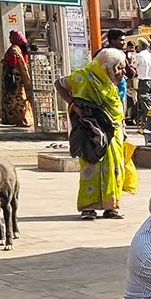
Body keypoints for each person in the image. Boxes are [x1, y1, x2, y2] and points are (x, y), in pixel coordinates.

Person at [56, 48, 134, 220]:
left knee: (114, 167)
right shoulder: (82, 77)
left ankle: (111, 206)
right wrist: (74, 105)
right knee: (91, 166)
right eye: (118, 68)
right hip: (91, 128)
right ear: (106, 68)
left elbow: (120, 105)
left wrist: (123, 126)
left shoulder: (113, 83)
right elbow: (59, 84)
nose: (122, 72)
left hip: (114, 129)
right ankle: (88, 207)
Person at [1, 29, 34, 127]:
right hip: (20, 79)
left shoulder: (13, 49)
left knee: (14, 99)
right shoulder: (20, 49)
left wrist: (5, 62)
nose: (9, 38)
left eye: (10, 37)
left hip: (13, 79)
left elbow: (13, 63)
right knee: (21, 99)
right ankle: (25, 118)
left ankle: (19, 119)